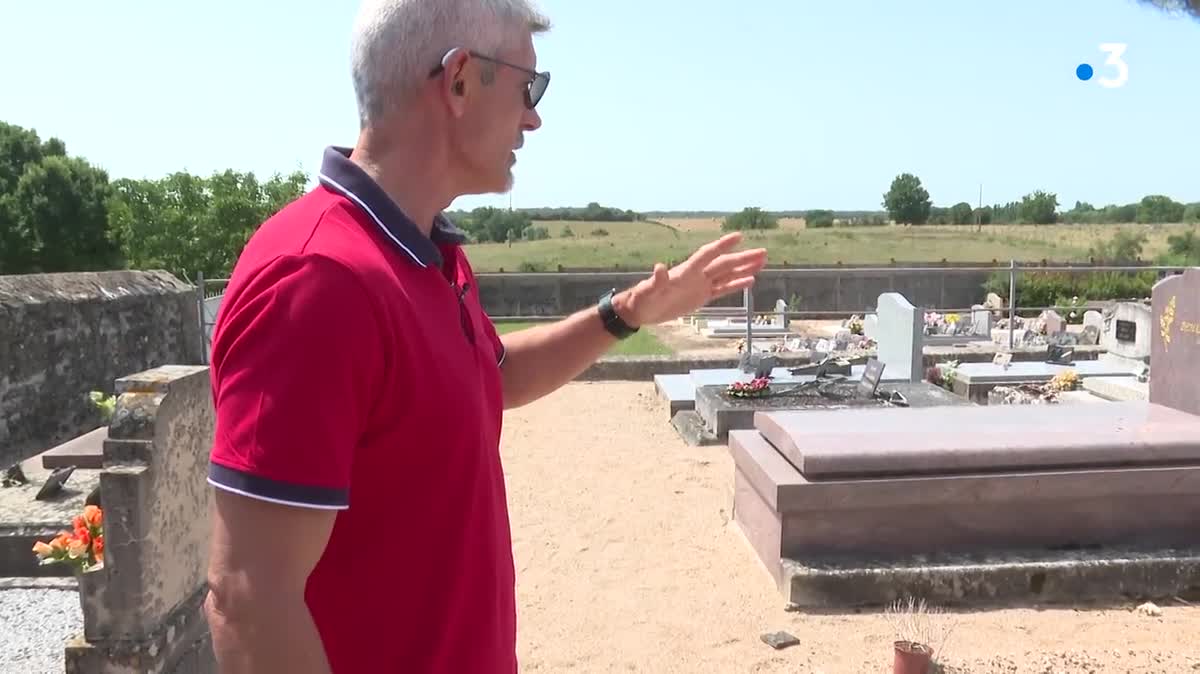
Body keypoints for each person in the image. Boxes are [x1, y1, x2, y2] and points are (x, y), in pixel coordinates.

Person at [201, 0, 767, 672]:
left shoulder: (424, 250)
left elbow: (489, 378)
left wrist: (628, 312)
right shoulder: (318, 280)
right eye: (530, 86)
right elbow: (248, 597)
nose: (534, 117)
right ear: (460, 80)